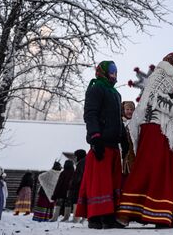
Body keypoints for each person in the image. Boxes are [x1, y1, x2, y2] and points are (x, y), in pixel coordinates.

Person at [118, 52, 173, 228]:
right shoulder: (160, 75)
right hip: (155, 128)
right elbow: (152, 97)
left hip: (168, 131)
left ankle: (166, 213)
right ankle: (127, 212)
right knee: (150, 167)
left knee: (167, 169)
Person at [76, 60, 128, 229]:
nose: (114, 75)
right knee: (100, 182)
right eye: (111, 72)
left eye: (116, 72)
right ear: (103, 72)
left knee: (112, 182)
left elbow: (117, 118)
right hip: (101, 143)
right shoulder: (96, 88)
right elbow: (90, 114)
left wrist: (123, 137)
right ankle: (96, 216)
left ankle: (109, 215)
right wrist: (95, 136)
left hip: (113, 144)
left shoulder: (115, 93)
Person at [70, 149, 87, 223]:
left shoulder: (81, 163)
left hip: (79, 186)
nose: (75, 158)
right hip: (84, 184)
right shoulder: (86, 161)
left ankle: (76, 219)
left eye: (76, 156)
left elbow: (78, 176)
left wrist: (73, 184)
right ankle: (83, 218)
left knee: (76, 201)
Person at [121, 101, 136, 180]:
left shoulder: (136, 123)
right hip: (123, 153)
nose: (129, 111)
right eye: (127, 109)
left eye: (131, 109)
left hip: (133, 154)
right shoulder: (120, 123)